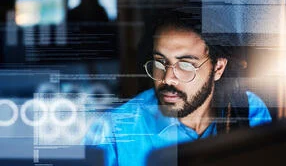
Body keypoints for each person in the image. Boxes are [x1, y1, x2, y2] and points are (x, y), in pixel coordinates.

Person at [84, 10, 272, 166]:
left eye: (185, 65)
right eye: (160, 62)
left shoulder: (249, 110)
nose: (167, 79)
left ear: (218, 68)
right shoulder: (114, 130)